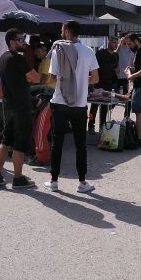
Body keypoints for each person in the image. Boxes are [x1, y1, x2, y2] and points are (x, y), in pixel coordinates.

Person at [44, 20, 100, 193]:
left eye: (62, 30)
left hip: (59, 102)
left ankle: (54, 181)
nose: (61, 32)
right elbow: (96, 79)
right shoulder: (89, 51)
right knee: (80, 144)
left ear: (67, 31)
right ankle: (82, 182)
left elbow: (52, 78)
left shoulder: (58, 49)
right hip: (80, 104)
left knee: (57, 142)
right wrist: (81, 81)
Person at [0, 28, 40, 189]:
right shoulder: (17, 59)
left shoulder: (3, 57)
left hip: (9, 105)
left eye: (23, 38)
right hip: (21, 106)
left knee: (6, 140)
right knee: (20, 144)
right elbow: (36, 78)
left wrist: (27, 76)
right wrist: (28, 75)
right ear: (11, 42)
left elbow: (26, 77)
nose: (23, 42)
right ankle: (18, 178)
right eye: (20, 40)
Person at [88, 36, 118, 134]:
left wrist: (116, 71)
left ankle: (102, 126)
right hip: (98, 82)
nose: (115, 45)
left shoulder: (116, 55)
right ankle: (91, 125)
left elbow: (115, 68)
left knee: (105, 107)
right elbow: (93, 67)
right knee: (94, 105)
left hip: (109, 83)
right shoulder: (100, 53)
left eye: (116, 43)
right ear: (109, 42)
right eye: (113, 42)